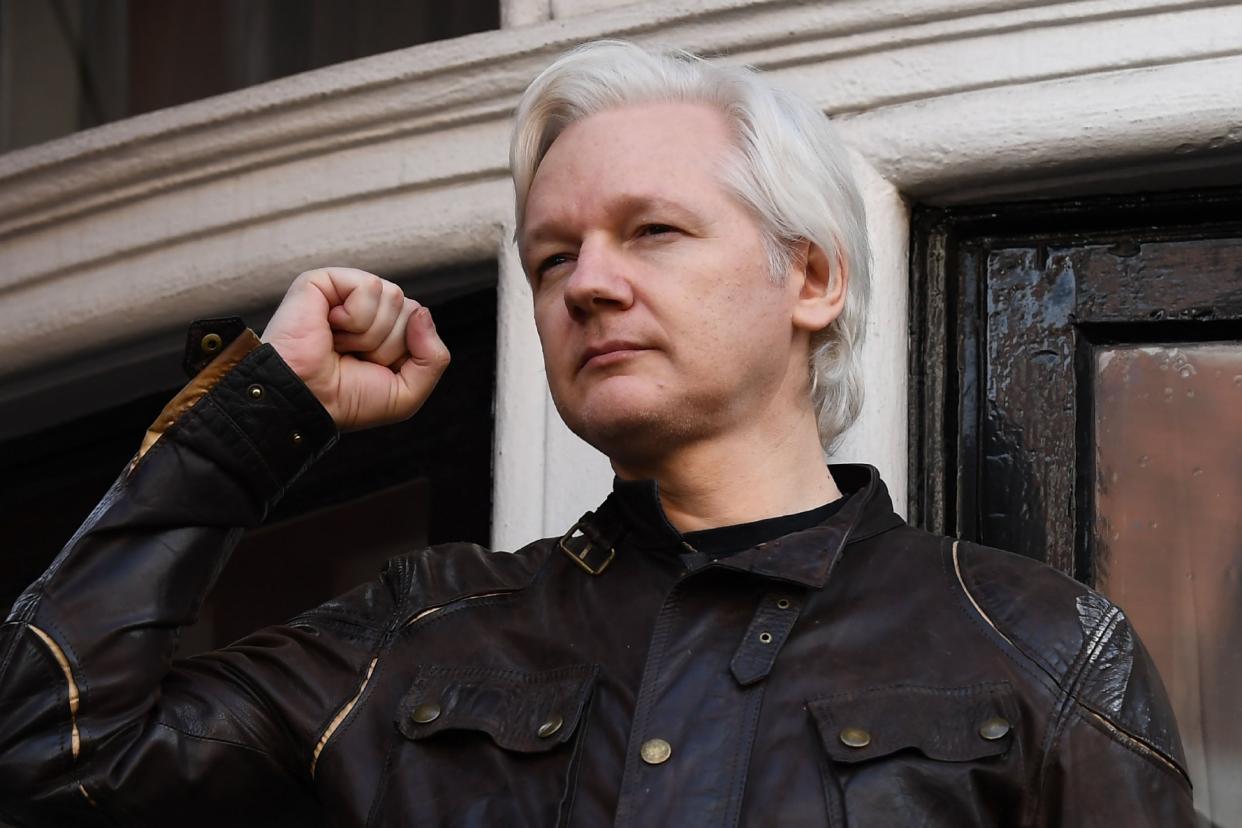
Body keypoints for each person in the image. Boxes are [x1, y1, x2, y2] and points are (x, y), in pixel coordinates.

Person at [0, 41, 1192, 827]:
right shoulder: (410, 636)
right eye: (553, 256)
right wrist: (260, 418)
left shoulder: (1040, 647)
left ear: (813, 277)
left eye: (654, 232)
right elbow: (45, 757)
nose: (589, 284)